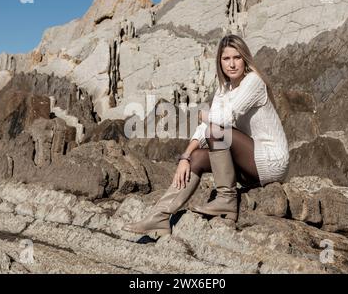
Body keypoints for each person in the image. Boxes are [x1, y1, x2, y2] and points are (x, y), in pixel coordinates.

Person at [122, 34, 289, 238]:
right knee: (197, 157)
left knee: (215, 130)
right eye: (226, 59)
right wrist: (185, 157)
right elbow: (205, 129)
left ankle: (226, 200)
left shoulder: (253, 82)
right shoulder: (223, 89)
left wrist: (199, 113)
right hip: (249, 165)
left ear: (245, 58)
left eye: (237, 57)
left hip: (272, 161)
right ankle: (160, 216)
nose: (232, 64)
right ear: (219, 61)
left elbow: (224, 119)